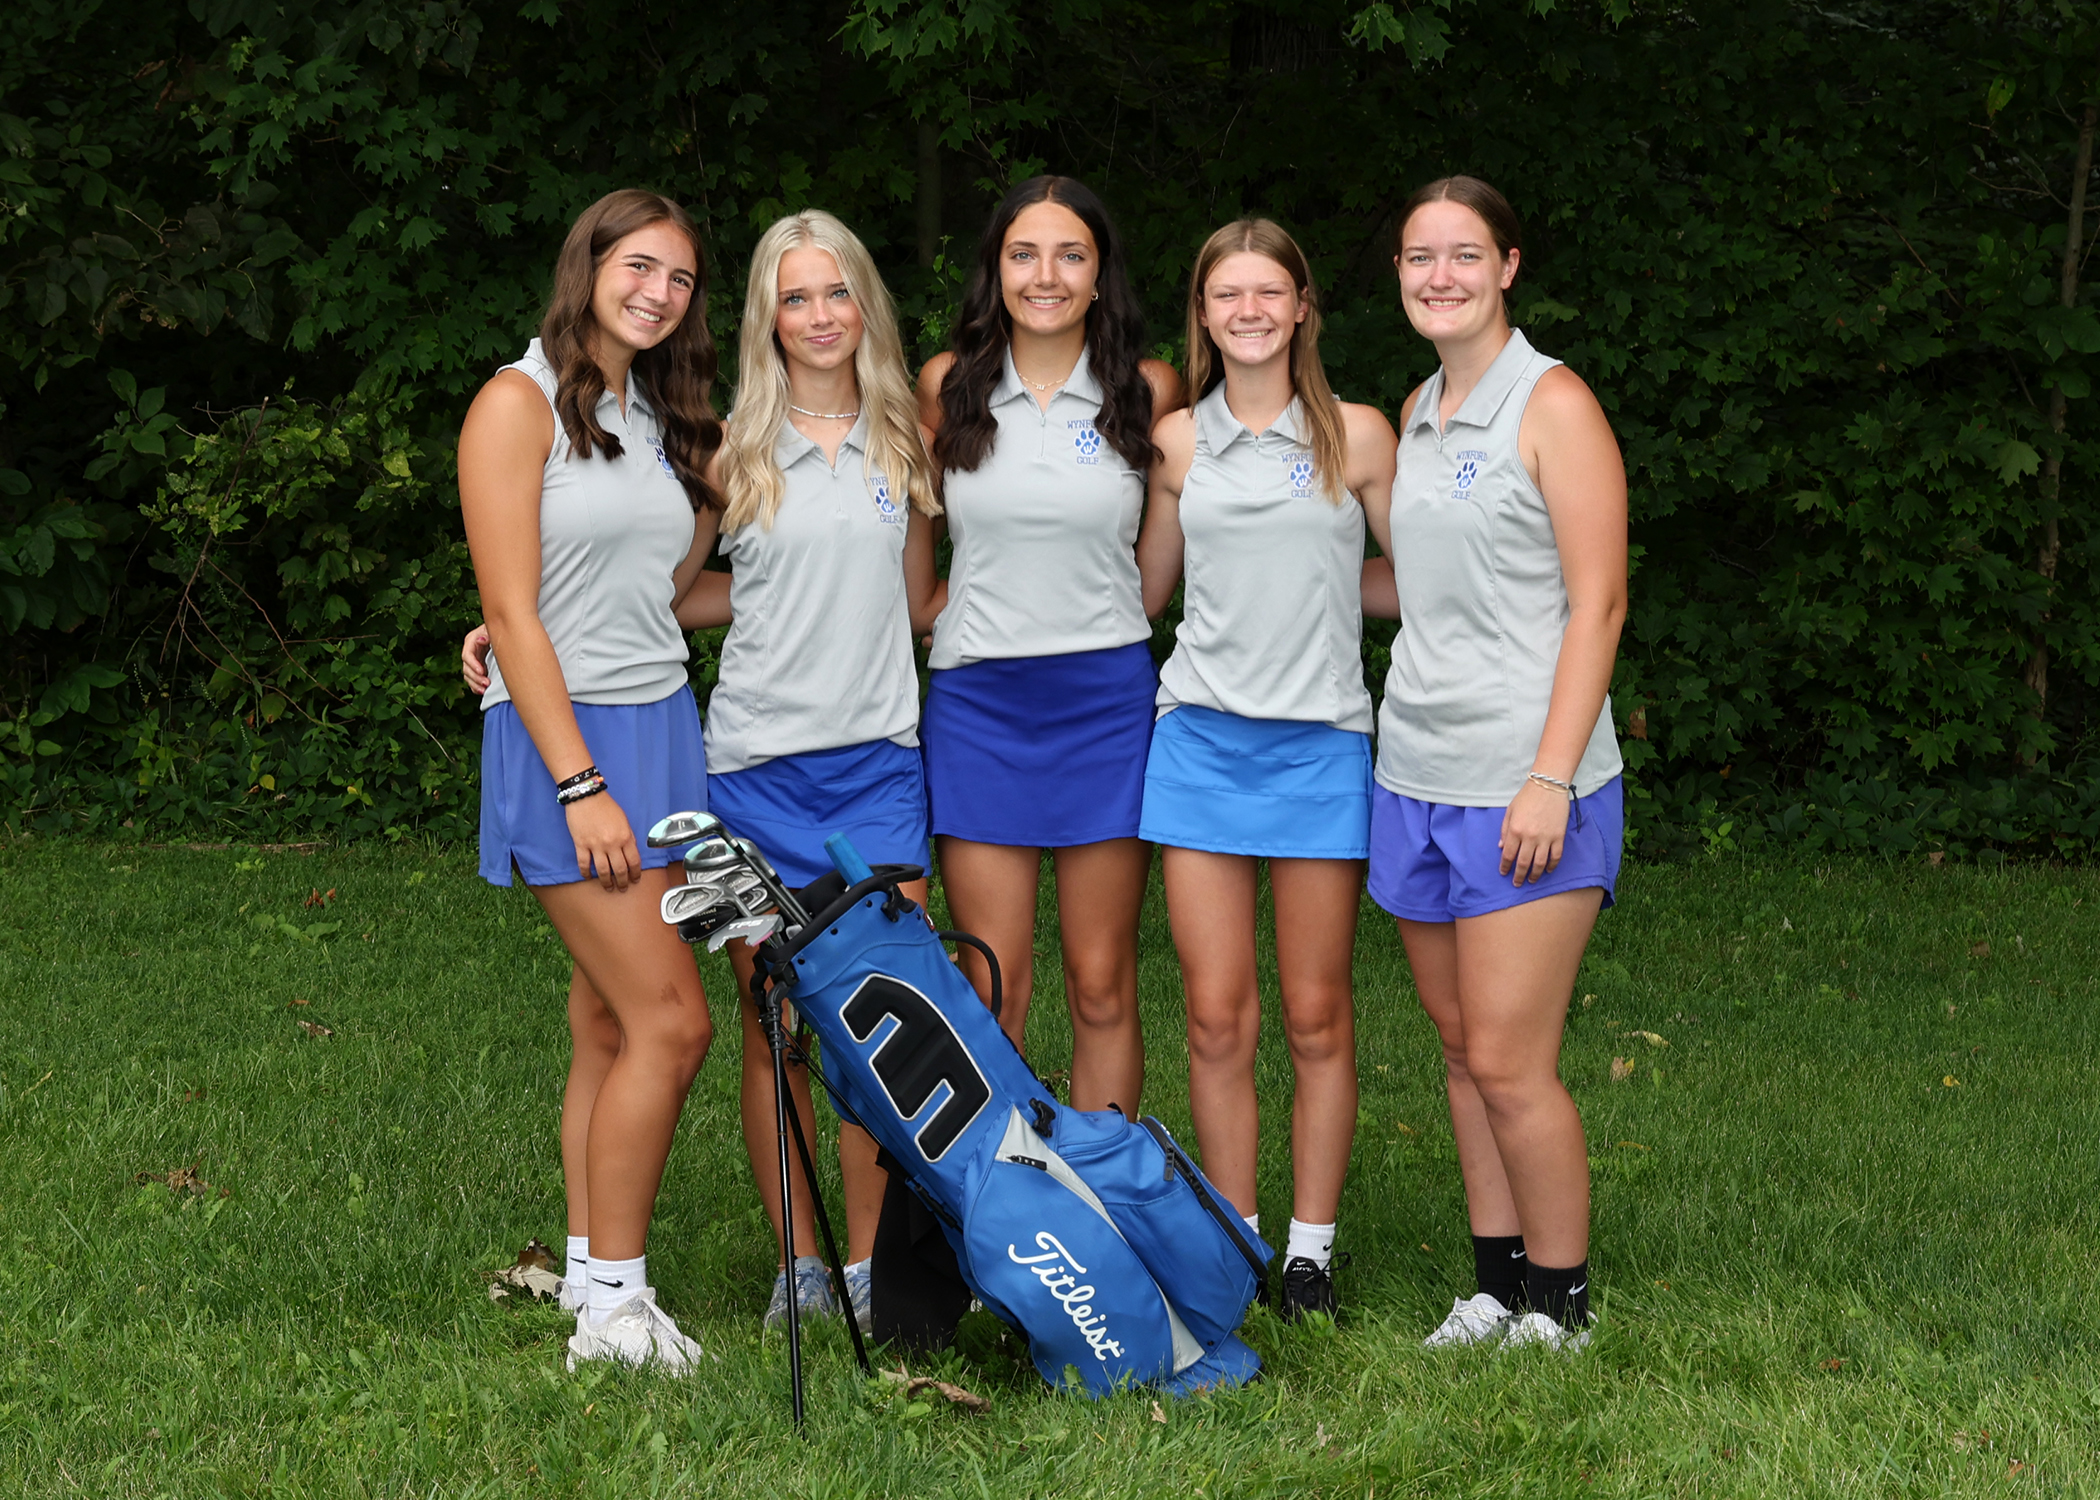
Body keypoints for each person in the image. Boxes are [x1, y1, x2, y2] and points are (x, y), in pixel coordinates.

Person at [466, 210, 942, 1336]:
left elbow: (917, 603)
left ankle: (832, 1268)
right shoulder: (714, 445)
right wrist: (502, 629)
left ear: (867, 304)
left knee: (864, 1022)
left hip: (831, 757)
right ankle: (782, 1271)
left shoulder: (673, 421)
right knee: (743, 1025)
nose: (820, 315)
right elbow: (635, 587)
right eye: (794, 295)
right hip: (735, 764)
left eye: (839, 293)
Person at [459, 188, 723, 1372]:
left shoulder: (655, 412)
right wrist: (578, 785)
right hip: (571, 749)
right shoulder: (513, 403)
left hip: (663, 725)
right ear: (589, 265)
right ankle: (618, 1312)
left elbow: (658, 590)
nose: (658, 292)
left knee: (610, 1022)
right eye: (639, 267)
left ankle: (582, 1274)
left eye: (678, 278)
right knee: (673, 1021)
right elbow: (513, 607)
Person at [1371, 176, 1628, 1352]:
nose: (1441, 276)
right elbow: (1417, 592)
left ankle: (1561, 1306)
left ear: (1509, 265)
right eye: (1421, 258)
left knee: (1515, 1061)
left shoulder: (1553, 401)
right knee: (1463, 1051)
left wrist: (1552, 775)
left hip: (1525, 785)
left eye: (1464, 255)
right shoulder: (1418, 409)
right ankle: (1496, 1283)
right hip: (1415, 772)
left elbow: (1600, 602)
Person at [1134, 219, 1397, 1323]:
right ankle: (1238, 1240)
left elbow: (1420, 580)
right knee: (1214, 1017)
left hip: (1321, 748)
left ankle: (1311, 1256)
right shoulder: (1177, 442)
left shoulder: (1361, 436)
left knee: (1318, 1016)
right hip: (1198, 745)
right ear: (1202, 313)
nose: (1247, 310)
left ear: (1302, 308)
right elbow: (1142, 597)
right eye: (1224, 293)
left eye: (1268, 292)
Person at [914, 176, 1182, 1114]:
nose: (1046, 275)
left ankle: (1105, 1196)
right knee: (994, 987)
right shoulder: (945, 385)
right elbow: (913, 564)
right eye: (1024, 253)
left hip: (1104, 705)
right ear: (997, 267)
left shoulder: (1148, 388)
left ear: (1101, 274)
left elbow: (1153, 575)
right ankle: (1004, 1202)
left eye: (1071, 254)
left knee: (1101, 981)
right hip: (980, 704)